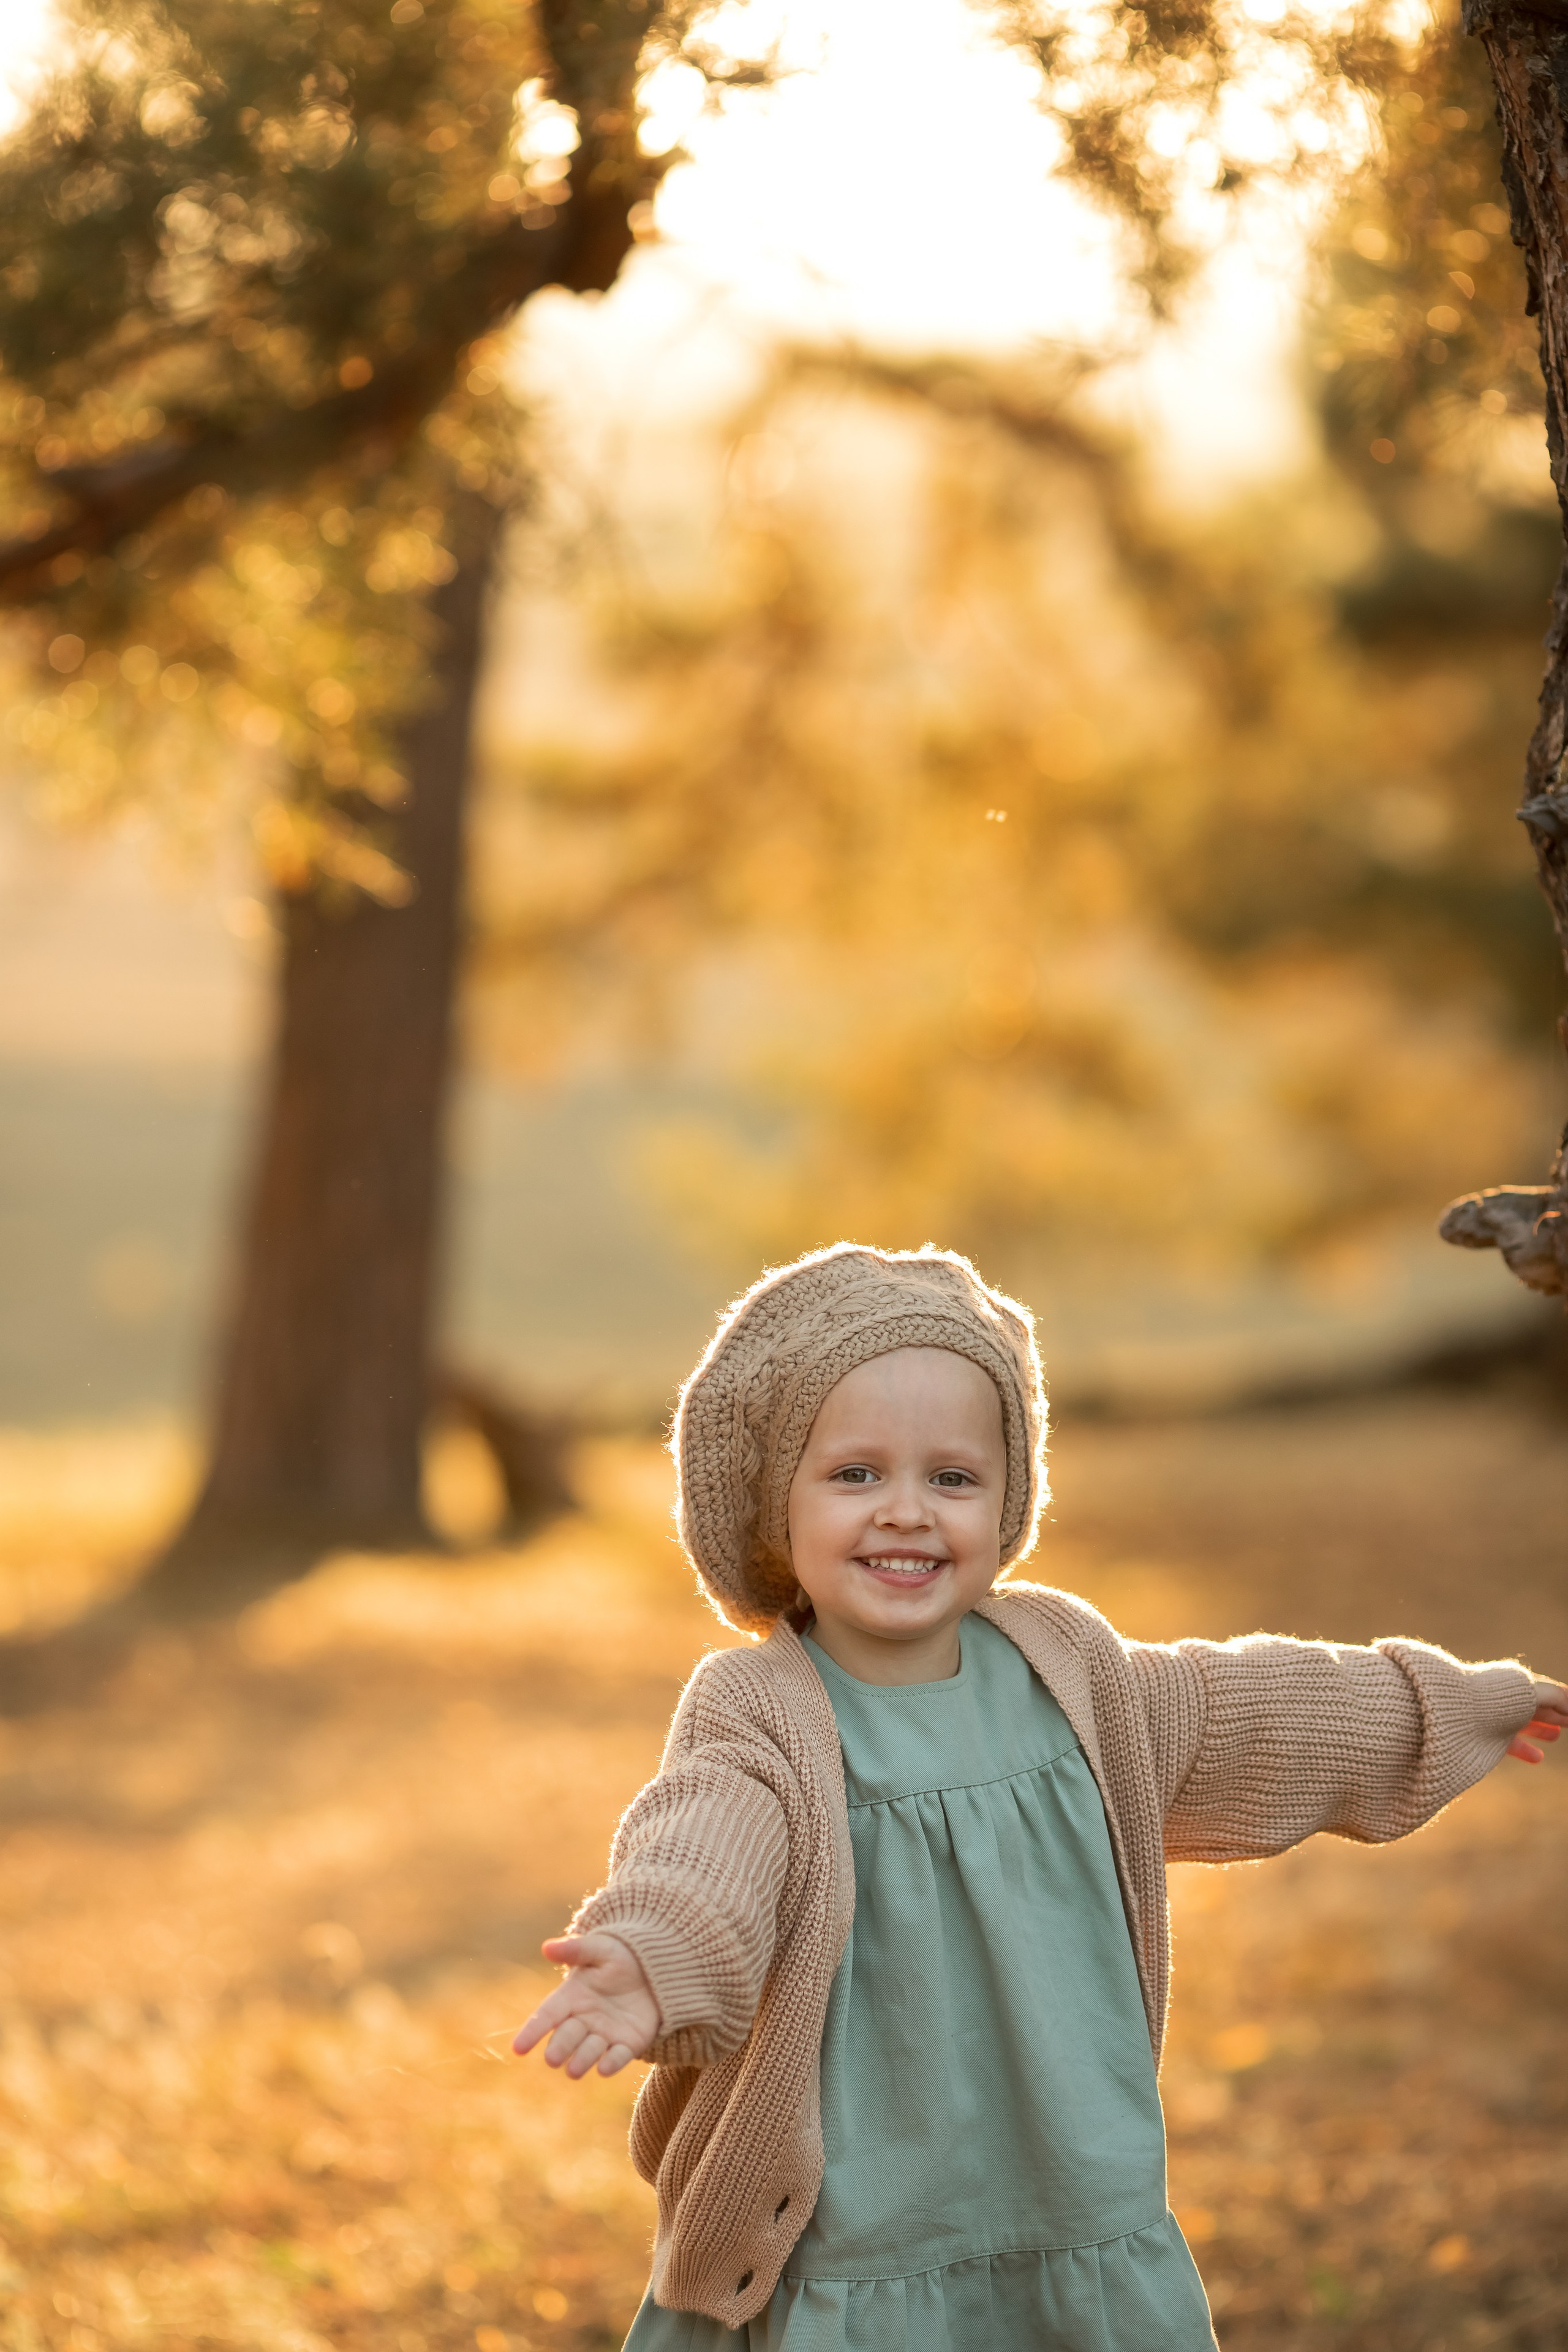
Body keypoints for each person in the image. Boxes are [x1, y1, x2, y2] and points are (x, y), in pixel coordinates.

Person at [513, 1243, 1566, 2351]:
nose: (907, 1513)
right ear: (778, 1504)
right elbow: (703, 1847)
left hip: (1073, 2201)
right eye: (855, 1475)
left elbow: (1258, 1707)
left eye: (952, 1478)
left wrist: (1447, 1705)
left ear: (1010, 1497)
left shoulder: (1075, 1673)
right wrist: (651, 1957)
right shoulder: (762, 1709)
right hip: (859, 2238)